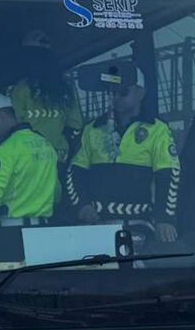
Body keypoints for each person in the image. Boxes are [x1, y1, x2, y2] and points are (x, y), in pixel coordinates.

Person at [69, 69, 182, 241]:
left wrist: (165, 219)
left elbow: (168, 175)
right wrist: (82, 206)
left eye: (123, 92)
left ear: (141, 93)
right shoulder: (93, 129)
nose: (116, 98)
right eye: (111, 92)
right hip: (96, 224)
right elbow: (75, 172)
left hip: (140, 225)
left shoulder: (157, 129)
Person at [0, 93, 60, 222]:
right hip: (43, 229)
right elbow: (57, 191)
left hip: (13, 231)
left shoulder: (4, 150)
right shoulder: (44, 142)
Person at [6, 30, 84, 165]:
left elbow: (12, 126)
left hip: (28, 159)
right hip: (59, 157)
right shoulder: (64, 89)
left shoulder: (21, 88)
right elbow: (75, 124)